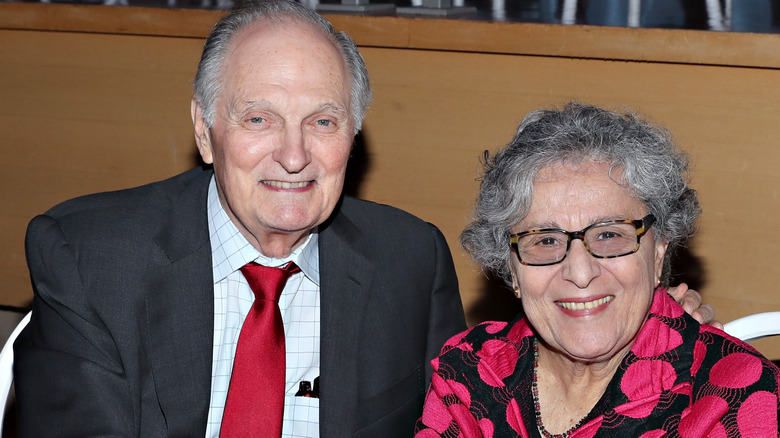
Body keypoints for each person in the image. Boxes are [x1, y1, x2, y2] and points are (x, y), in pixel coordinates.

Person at [13, 1, 715, 436]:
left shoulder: (407, 261)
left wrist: (640, 329)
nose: (293, 155)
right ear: (205, 130)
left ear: (354, 134)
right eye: (259, 118)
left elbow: (479, 395)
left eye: (323, 120)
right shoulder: (90, 254)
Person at [415, 103, 779, 437]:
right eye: (545, 241)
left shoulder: (732, 393)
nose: (580, 272)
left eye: (609, 235)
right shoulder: (471, 371)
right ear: (512, 270)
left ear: (658, 253)